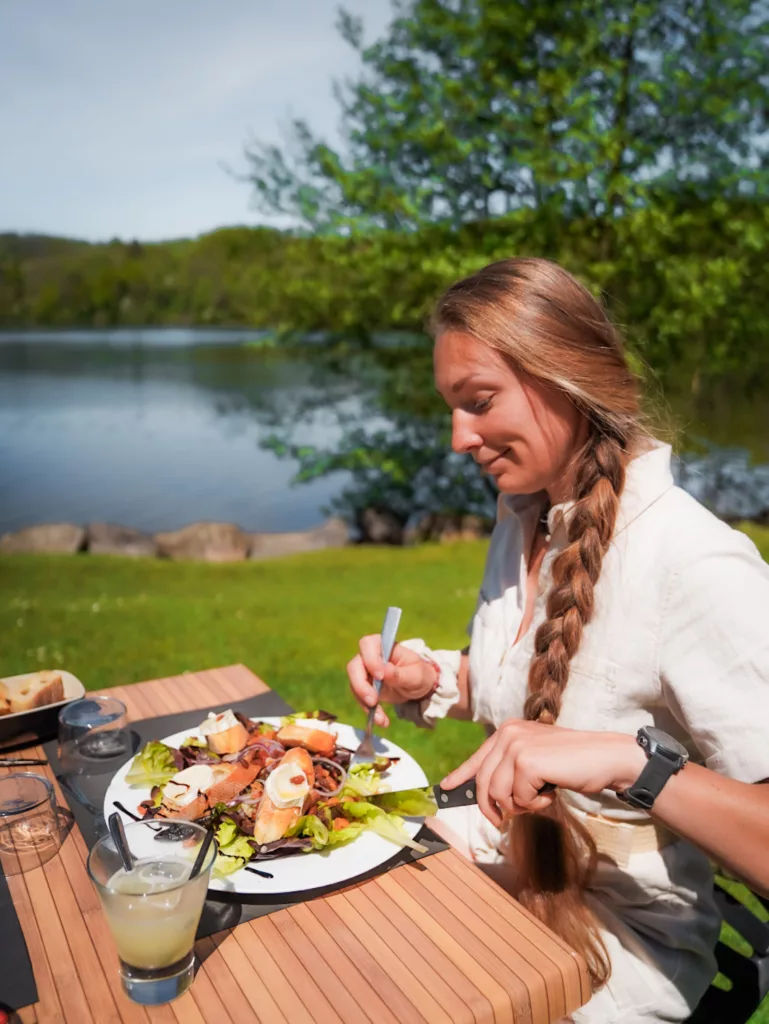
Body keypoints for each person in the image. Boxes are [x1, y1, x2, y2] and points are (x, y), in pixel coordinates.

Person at [346, 257, 769, 1023]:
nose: (456, 438)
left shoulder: (695, 564)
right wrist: (432, 678)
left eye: (477, 402)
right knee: (325, 919)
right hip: (510, 860)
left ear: (569, 378)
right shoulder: (527, 516)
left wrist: (629, 762)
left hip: (628, 939)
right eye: (450, 407)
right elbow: (540, 689)